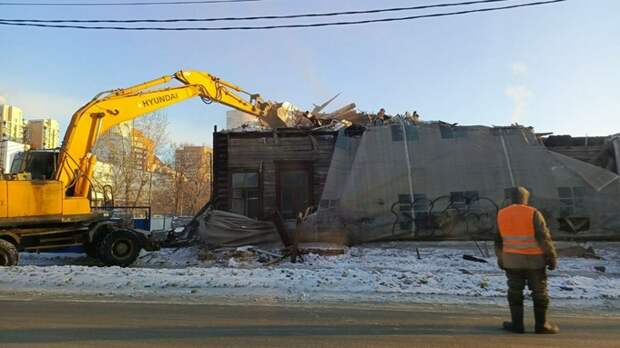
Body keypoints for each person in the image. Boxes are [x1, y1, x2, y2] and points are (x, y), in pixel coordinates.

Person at [495, 186, 559, 334]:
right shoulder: (533, 213)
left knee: (515, 290)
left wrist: (500, 258)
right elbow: (544, 237)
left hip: (512, 261)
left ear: (511, 198)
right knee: (539, 291)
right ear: (526, 198)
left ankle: (517, 325)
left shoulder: (501, 214)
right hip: (534, 260)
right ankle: (541, 325)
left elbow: (498, 240)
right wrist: (551, 257)